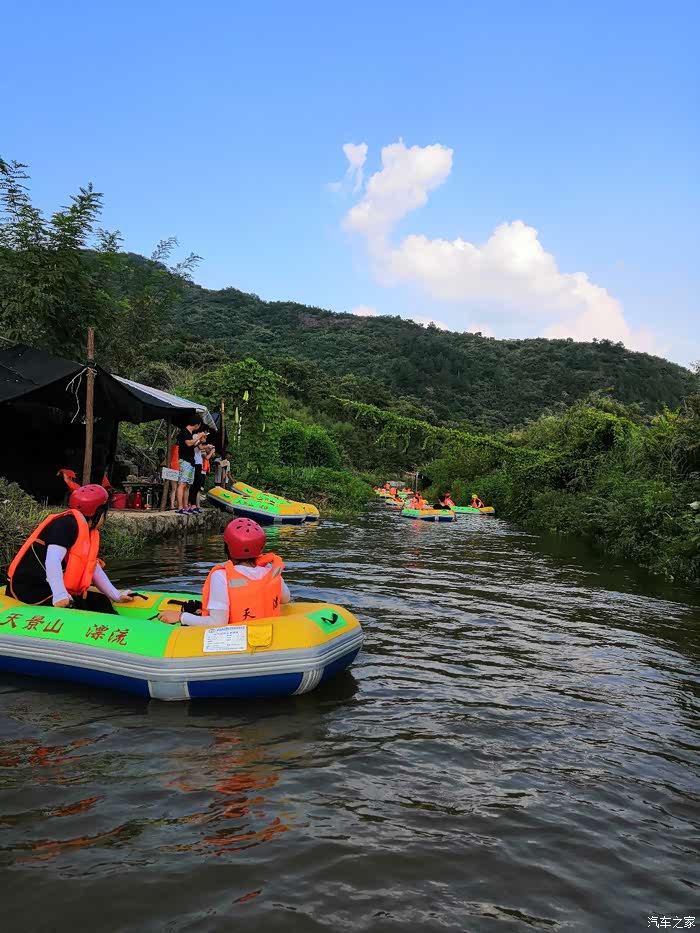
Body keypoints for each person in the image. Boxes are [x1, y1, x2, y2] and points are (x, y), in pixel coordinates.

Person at [6, 485, 135, 613]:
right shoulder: (66, 525)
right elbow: (53, 560)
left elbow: (91, 567)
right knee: (80, 606)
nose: (106, 517)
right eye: (105, 512)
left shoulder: (87, 530)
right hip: (29, 589)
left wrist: (116, 595)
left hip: (46, 586)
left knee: (101, 601)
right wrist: (60, 594)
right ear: (97, 512)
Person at [157, 518, 291, 626]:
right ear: (260, 547)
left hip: (236, 641)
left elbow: (217, 623)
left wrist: (181, 617)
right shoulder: (270, 570)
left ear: (227, 548)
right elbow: (285, 599)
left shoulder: (221, 576)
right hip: (270, 635)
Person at [176, 420, 201, 514]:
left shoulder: (190, 433)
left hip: (191, 461)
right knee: (182, 483)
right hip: (185, 461)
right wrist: (199, 436)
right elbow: (188, 443)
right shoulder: (184, 432)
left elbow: (192, 445)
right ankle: (180, 507)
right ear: (196, 424)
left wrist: (198, 442)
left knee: (188, 485)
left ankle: (186, 506)